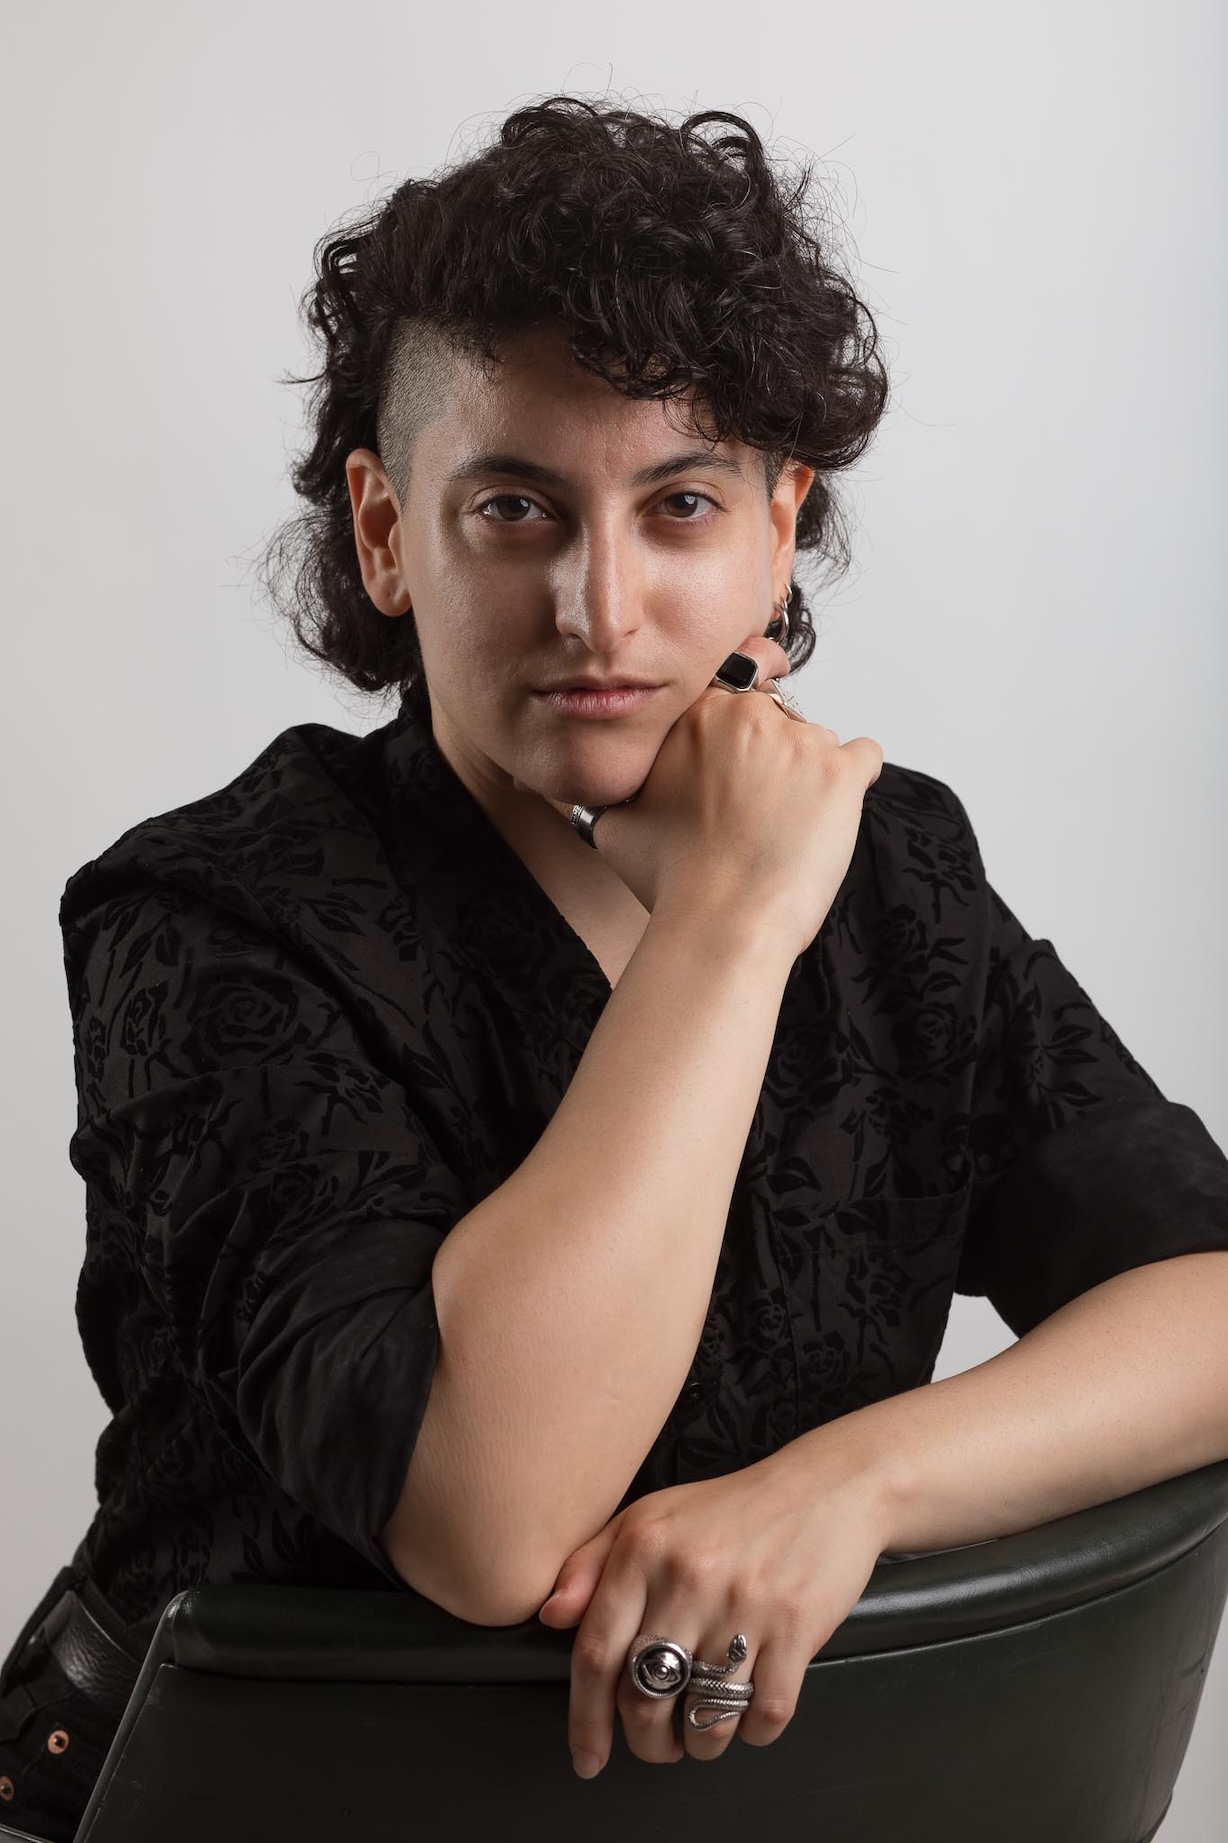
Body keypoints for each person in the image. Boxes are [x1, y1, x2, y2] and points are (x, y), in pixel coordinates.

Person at [4, 94, 1228, 1838]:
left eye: (679, 505)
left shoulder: (888, 866)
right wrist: (729, 928)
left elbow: (1208, 1299)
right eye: (514, 506)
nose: (599, 603)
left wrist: (851, 1486)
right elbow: (491, 1516)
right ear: (382, 531)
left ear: (778, 527)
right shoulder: (208, 917)